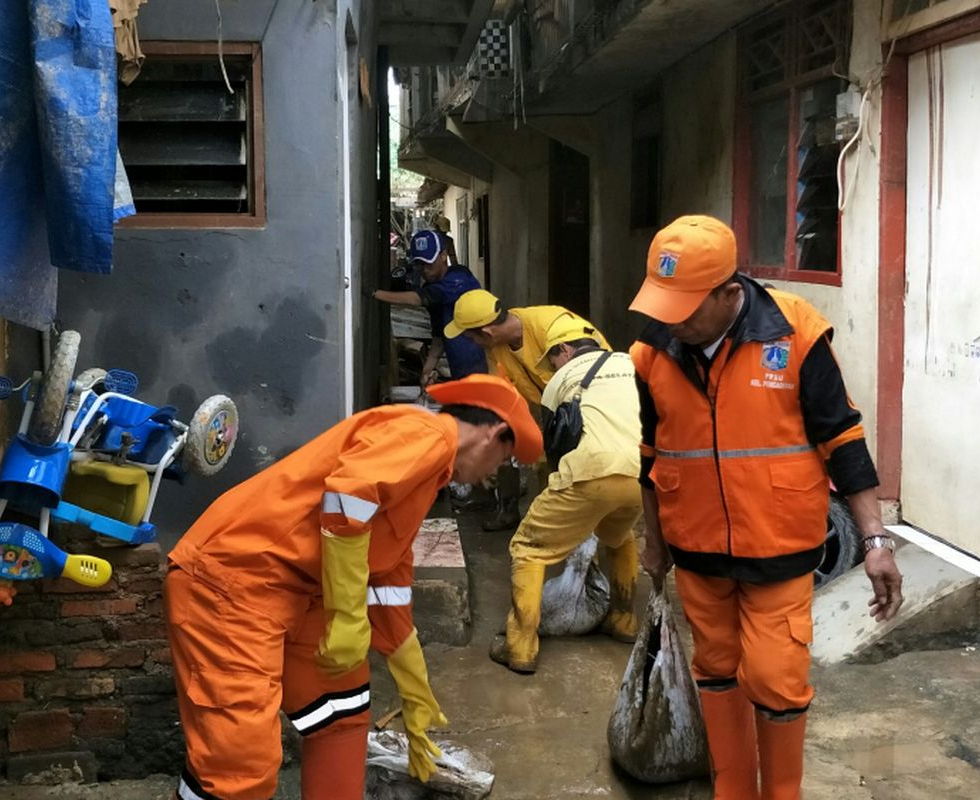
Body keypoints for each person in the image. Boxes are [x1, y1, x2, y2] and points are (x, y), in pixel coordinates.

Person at [628, 215, 903, 800]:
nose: (668, 319)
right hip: (696, 549)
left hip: (779, 548)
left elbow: (843, 438)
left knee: (777, 680)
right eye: (662, 302)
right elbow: (650, 454)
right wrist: (653, 540)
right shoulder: (651, 352)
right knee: (717, 670)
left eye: (684, 305)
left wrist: (874, 539)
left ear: (730, 294)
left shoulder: (796, 333)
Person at [164, 375, 542, 800]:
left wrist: (413, 683)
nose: (493, 474)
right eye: (505, 459)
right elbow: (348, 498)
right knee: (239, 766)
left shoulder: (428, 471)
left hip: (294, 591)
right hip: (232, 582)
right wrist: (346, 614)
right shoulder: (428, 434)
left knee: (342, 710)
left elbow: (388, 569)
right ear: (493, 434)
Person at [489, 314, 643, 674]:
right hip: (642, 474)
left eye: (552, 359)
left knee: (528, 548)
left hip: (590, 470)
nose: (551, 367)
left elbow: (558, 446)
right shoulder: (632, 364)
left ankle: (520, 646)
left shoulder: (561, 380)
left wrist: (565, 508)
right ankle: (623, 621)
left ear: (565, 349)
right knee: (619, 537)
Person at [444, 289, 610, 530]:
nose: (473, 344)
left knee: (591, 484)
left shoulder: (554, 327)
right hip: (554, 412)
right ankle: (530, 516)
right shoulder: (496, 348)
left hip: (595, 408)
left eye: (472, 338)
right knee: (528, 458)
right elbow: (500, 393)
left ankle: (589, 531)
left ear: (487, 333)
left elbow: (590, 372)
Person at [374, 229, 487, 387]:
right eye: (419, 264)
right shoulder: (432, 288)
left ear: (443, 256)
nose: (424, 269)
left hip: (484, 365)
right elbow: (439, 337)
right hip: (460, 369)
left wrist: (375, 294)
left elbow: (417, 299)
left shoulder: (459, 279)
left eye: (429, 263)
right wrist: (427, 370)